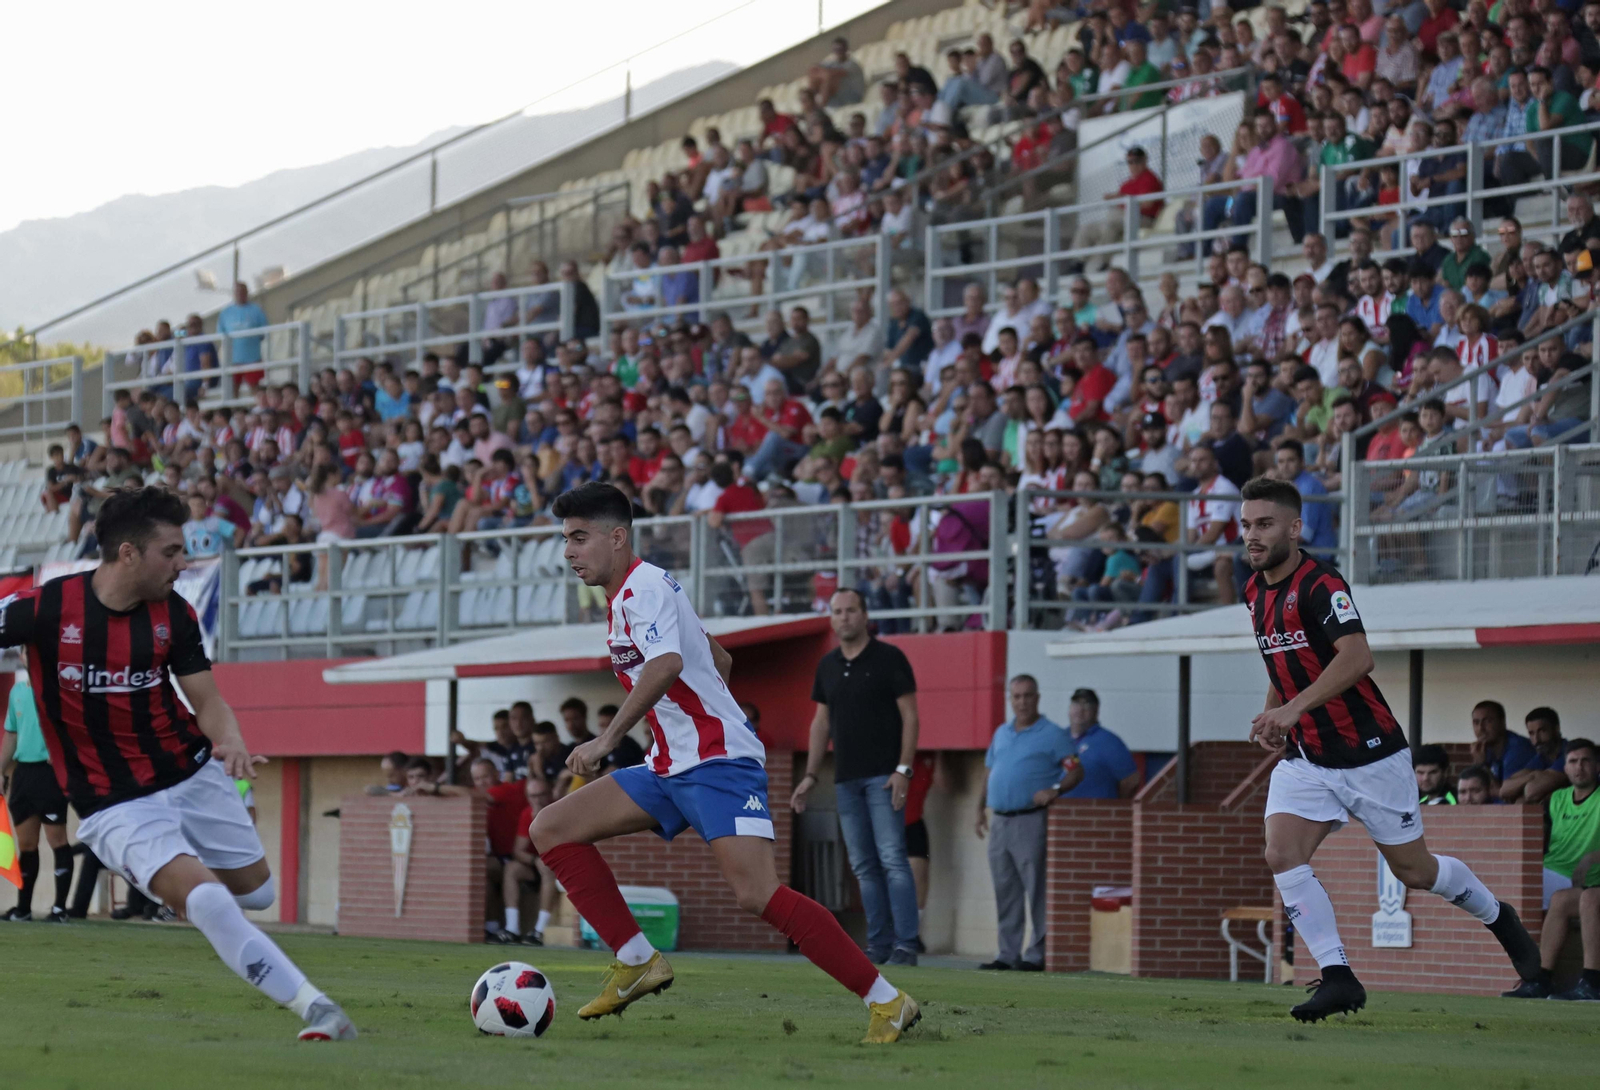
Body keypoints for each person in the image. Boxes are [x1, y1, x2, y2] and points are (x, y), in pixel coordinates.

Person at [529, 483, 918, 1043]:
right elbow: (719, 658)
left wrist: (607, 739)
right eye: (565, 539)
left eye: (579, 537)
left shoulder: (643, 589)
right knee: (553, 829)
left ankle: (888, 1002)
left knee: (758, 894)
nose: (568, 551)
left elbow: (665, 665)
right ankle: (637, 959)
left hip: (715, 765)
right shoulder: (633, 596)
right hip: (670, 766)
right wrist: (699, 714)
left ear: (617, 538)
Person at [0, 488, 355, 1040]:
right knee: (209, 899)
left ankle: (179, 884)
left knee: (257, 892)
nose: (183, 563)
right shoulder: (47, 608)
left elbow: (208, 701)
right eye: (171, 551)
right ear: (128, 553)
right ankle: (318, 1009)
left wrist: (231, 740)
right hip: (111, 798)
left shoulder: (175, 614)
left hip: (190, 772)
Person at [1238, 476, 1541, 1022]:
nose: (1252, 536)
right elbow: (1282, 663)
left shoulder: (1320, 584)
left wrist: (1292, 709)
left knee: (1416, 874)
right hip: (1308, 757)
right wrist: (1277, 716)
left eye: (1263, 524)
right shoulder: (1254, 592)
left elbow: (1357, 658)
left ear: (1294, 527)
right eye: (1245, 525)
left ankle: (1501, 918)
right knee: (1281, 853)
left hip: (1370, 753)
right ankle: (1338, 977)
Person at [793, 589, 922, 966]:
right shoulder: (828, 665)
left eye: (851, 610)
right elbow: (821, 722)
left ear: (865, 615)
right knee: (864, 865)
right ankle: (879, 945)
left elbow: (911, 716)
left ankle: (906, 945)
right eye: (837, 612)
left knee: (893, 859)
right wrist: (811, 775)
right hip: (846, 780)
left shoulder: (890, 658)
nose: (844, 617)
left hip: (885, 777)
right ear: (831, 618)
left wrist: (903, 769)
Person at [974, 674, 1081, 972]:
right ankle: (1007, 954)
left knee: (1036, 888)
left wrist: (1055, 789)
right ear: (1010, 699)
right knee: (1004, 890)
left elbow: (1075, 770)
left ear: (1037, 698)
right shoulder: (1001, 733)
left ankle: (1037, 954)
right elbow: (988, 771)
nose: (1022, 702)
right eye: (1016, 696)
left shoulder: (1053, 734)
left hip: (1030, 820)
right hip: (1000, 821)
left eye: (1027, 696)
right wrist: (978, 808)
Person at [1505, 739, 1600, 999]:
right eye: (1572, 761)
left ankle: (1592, 982)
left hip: (1587, 881)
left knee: (1520, 897)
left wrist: (1593, 857)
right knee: (1557, 901)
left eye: (1586, 761)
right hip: (1556, 875)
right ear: (1565, 769)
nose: (1579, 767)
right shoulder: (1556, 799)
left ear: (1597, 766)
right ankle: (1541, 979)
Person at [0, 670, 75, 922]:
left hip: (50, 772)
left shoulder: (60, 688)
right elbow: (11, 733)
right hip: (23, 774)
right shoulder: (17, 692)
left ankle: (59, 909)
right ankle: (23, 909)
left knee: (57, 840)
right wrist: (1, 770)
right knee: (27, 845)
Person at [1060, 688, 1140, 798]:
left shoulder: (1109, 741)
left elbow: (1131, 780)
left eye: (1087, 705)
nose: (1080, 709)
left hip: (1095, 813)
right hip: (1058, 812)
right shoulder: (1058, 738)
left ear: (1096, 710)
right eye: (1076, 703)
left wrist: (1113, 809)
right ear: (1069, 708)